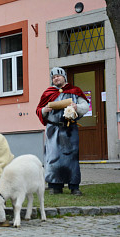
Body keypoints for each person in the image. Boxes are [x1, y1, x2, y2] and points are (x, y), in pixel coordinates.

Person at [36, 67, 89, 196]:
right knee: (53, 157)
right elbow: (39, 109)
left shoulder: (74, 91)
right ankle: (55, 185)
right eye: (54, 77)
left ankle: (74, 186)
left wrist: (77, 107)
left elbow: (85, 106)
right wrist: (45, 110)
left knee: (72, 157)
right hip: (53, 129)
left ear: (64, 77)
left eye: (58, 76)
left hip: (69, 128)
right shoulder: (48, 93)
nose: (56, 79)